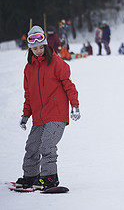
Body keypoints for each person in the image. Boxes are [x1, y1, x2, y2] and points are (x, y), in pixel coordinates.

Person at [15, 25, 80, 190]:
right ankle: (30, 176)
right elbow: (28, 94)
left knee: (47, 145)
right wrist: (25, 115)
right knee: (32, 146)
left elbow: (69, 86)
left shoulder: (57, 63)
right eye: (34, 48)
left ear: (45, 45)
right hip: (39, 116)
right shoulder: (28, 69)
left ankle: (49, 178)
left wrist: (75, 106)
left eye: (41, 47)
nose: (38, 51)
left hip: (57, 114)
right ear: (30, 49)